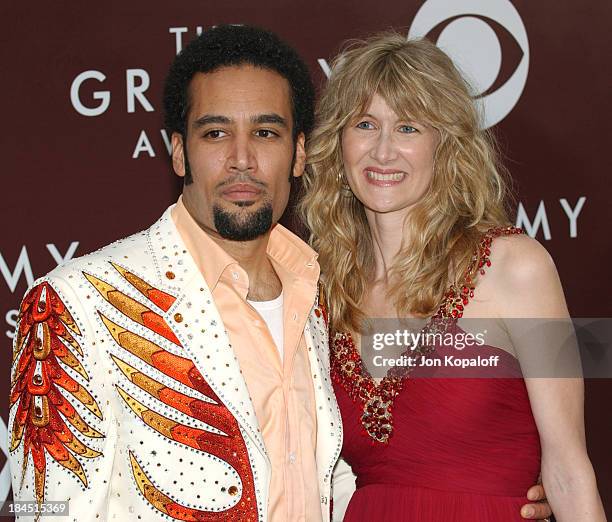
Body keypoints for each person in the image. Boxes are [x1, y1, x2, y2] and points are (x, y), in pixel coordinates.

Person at [8, 25, 341, 521]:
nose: (242, 160)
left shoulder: (319, 296)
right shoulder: (77, 302)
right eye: (216, 133)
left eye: (266, 133)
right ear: (179, 151)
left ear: (299, 154)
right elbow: (46, 512)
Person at [300, 33, 605, 521]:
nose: (383, 151)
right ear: (337, 143)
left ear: (446, 145)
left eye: (407, 127)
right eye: (364, 124)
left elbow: (568, 469)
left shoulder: (517, 269)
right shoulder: (319, 288)